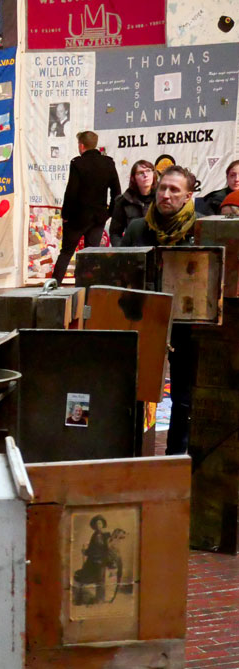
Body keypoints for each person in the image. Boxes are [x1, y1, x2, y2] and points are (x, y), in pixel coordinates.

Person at [124, 166, 200, 455]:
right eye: (162, 188)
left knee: (182, 398)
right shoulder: (137, 229)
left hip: (186, 324)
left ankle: (174, 459)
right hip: (143, 321)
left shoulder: (200, 228)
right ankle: (130, 456)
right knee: (134, 392)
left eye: (174, 190)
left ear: (188, 196)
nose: (165, 195)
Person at [52, 131, 120, 281]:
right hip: (98, 218)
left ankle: (53, 287)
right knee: (91, 255)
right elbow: (117, 191)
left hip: (77, 218)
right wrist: (109, 213)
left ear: (81, 146)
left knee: (66, 253)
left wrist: (65, 216)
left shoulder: (77, 163)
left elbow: (71, 192)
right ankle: (85, 289)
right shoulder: (108, 163)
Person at [109, 160, 156, 246]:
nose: (145, 175)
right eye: (140, 173)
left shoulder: (161, 198)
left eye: (148, 171)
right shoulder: (123, 201)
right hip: (133, 250)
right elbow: (115, 233)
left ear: (154, 174)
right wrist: (122, 251)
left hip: (156, 250)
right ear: (133, 178)